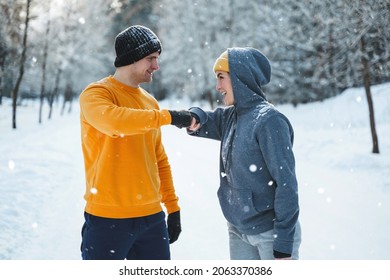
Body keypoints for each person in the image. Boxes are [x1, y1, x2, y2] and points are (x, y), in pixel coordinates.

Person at [79, 25, 193, 260]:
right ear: (132, 57)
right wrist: (169, 117)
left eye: (157, 59)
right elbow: (115, 123)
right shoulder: (96, 94)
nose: (156, 66)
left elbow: (158, 159)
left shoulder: (150, 102)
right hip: (106, 218)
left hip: (151, 219)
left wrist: (172, 207)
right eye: (151, 58)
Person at [187, 47, 301, 260]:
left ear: (240, 77)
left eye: (221, 77)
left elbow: (287, 183)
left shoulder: (269, 121)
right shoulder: (232, 116)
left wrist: (284, 240)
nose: (217, 86)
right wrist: (193, 115)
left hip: (270, 233)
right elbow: (206, 119)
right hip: (238, 229)